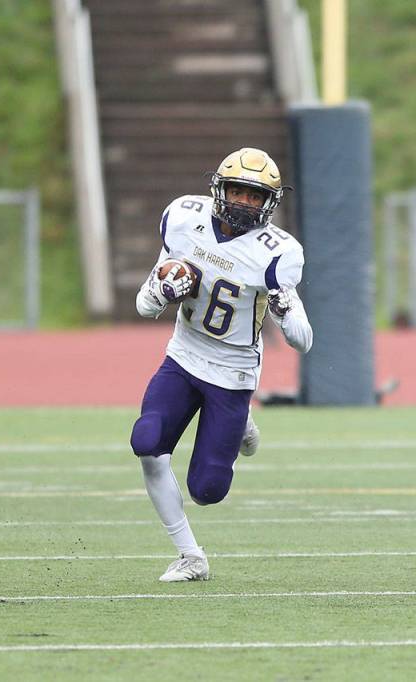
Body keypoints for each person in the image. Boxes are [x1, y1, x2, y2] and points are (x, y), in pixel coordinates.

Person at [131, 147, 313, 581]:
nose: (244, 203)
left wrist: (286, 311)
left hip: (232, 372)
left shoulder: (278, 253)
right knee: (147, 441)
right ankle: (191, 555)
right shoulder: (183, 218)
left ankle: (242, 420)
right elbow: (143, 304)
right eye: (237, 191)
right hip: (184, 354)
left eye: (255, 196)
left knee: (207, 490)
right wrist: (160, 292)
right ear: (219, 188)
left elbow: (303, 341)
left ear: (269, 203)